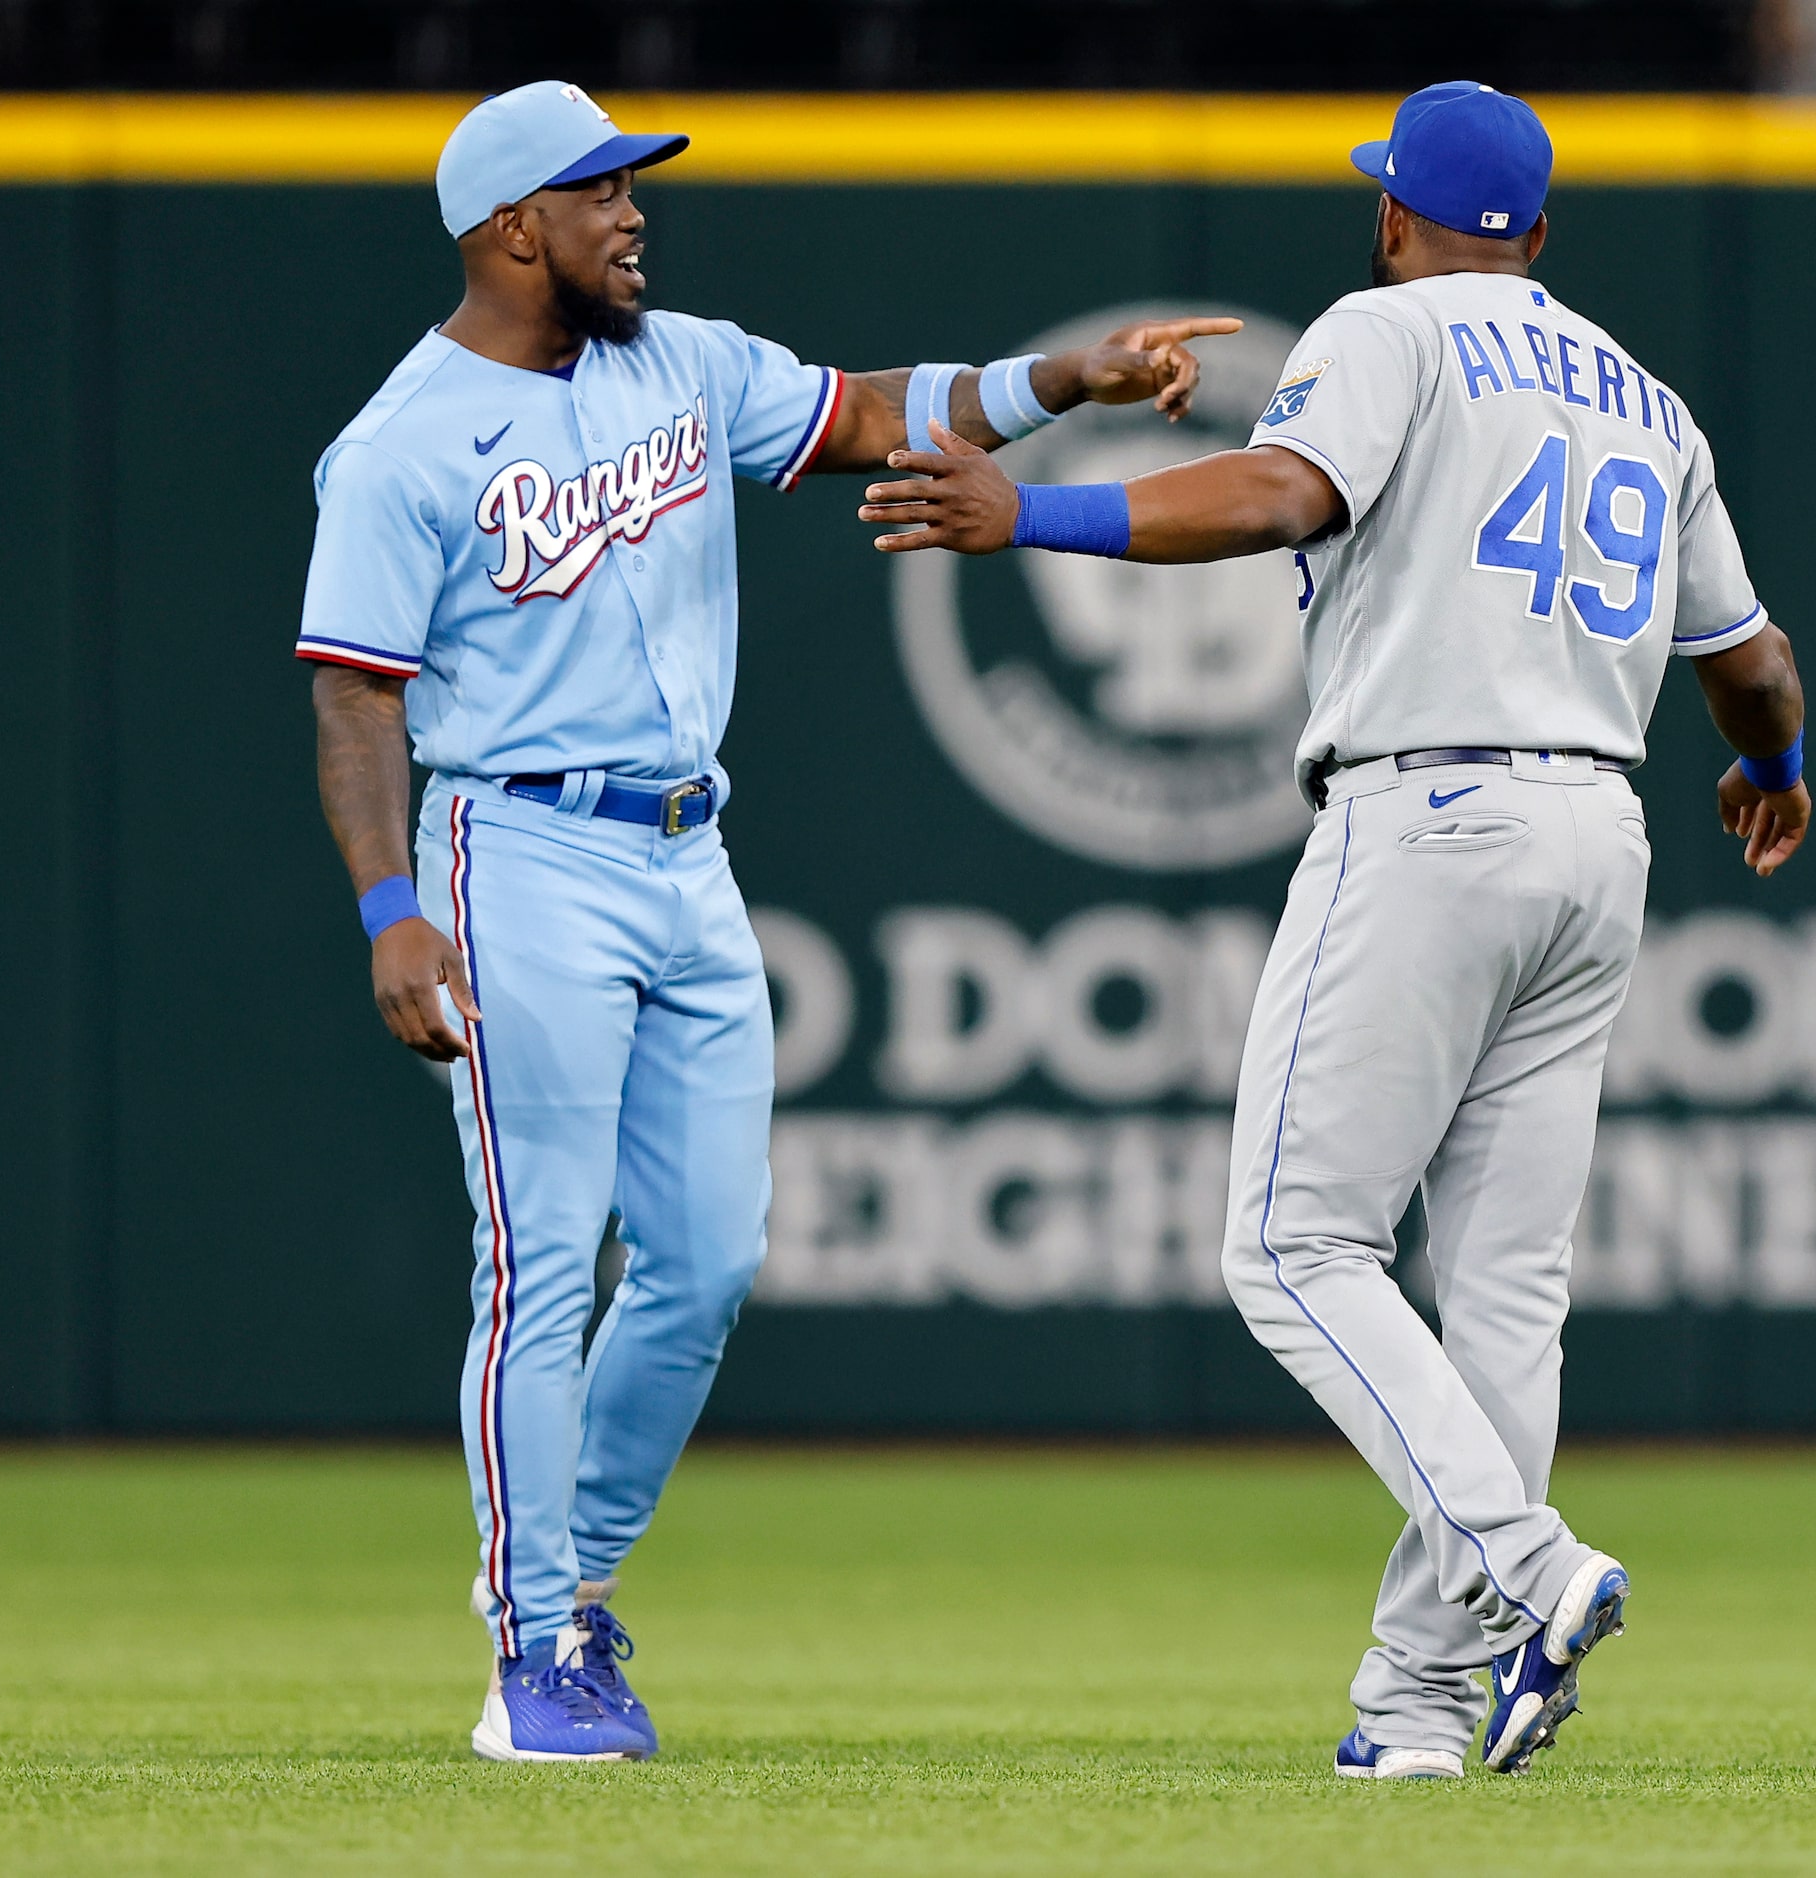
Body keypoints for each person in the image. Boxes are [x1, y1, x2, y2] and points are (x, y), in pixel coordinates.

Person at [855, 79, 1812, 1778]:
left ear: (1394, 213)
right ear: (1543, 230)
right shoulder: (1651, 402)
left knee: (1291, 1246)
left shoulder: (1391, 329)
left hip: (1432, 807)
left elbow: (1282, 496)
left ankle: (1528, 1571)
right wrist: (1780, 771)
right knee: (1508, 1294)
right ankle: (1419, 1710)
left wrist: (1039, 510)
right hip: (1606, 829)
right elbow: (1748, 659)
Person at [299, 79, 1235, 1762]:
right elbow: (357, 696)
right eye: (605, 193)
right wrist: (389, 906)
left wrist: (1068, 383)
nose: (636, 215)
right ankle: (533, 1649)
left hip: (685, 855)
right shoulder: (401, 445)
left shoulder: (681, 364)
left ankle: (570, 1585)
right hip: (515, 851)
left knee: (711, 1259)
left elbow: (878, 413)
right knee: (539, 1266)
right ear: (517, 227)